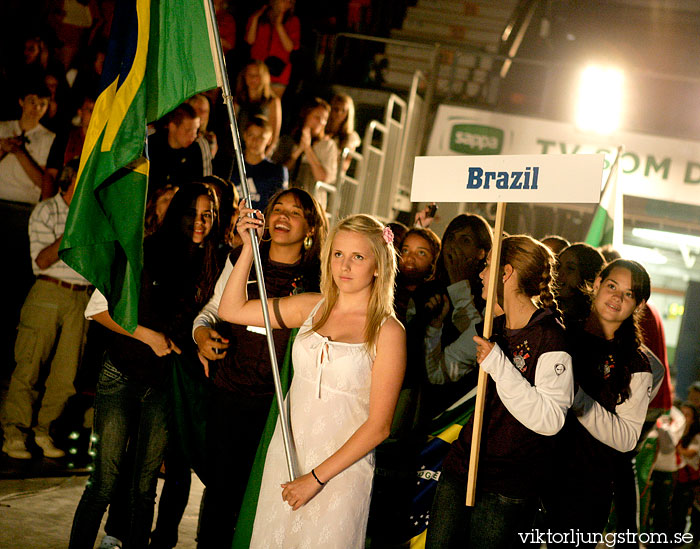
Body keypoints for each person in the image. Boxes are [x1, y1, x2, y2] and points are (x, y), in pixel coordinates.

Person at [218, 212, 406, 548]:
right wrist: (250, 248)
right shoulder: (310, 308)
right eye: (338, 254)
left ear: (378, 265)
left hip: (339, 473)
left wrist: (316, 478)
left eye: (357, 257)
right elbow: (230, 310)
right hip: (287, 457)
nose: (344, 266)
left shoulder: (388, 331)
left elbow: (379, 426)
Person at [69, 184, 221, 549]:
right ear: (176, 213)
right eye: (192, 213)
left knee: (144, 486)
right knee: (104, 481)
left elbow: (211, 315)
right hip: (122, 373)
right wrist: (147, 335)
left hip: (166, 383)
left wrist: (201, 341)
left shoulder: (214, 262)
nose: (200, 223)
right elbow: (98, 309)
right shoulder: (145, 250)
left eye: (208, 215)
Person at [194, 188, 327, 548]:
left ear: (311, 226)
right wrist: (201, 333)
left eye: (295, 212)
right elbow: (213, 309)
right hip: (229, 394)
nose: (283, 217)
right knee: (220, 490)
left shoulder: (320, 276)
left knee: (258, 493)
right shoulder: (243, 256)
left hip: (278, 406)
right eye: (277, 209)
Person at [426, 235, 574, 548]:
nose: (481, 274)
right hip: (462, 468)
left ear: (505, 273)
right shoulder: (493, 326)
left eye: (488, 266)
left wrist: (499, 365)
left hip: (508, 483)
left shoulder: (551, 337)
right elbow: (442, 372)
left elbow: (550, 419)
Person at [545, 259, 654, 543]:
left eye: (629, 294)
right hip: (533, 474)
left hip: (585, 489)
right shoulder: (560, 334)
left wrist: (578, 399)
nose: (617, 297)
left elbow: (627, 438)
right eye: (612, 286)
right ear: (596, 285)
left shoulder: (637, 364)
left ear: (639, 305)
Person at [1, 161, 90, 460]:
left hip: (80, 297)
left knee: (66, 374)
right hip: (49, 291)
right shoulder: (47, 210)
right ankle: (14, 433)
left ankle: (44, 431)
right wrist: (71, 234)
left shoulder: (91, 214)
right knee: (29, 366)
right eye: (81, 179)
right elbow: (40, 260)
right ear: (67, 181)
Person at [272, 97, 338, 206]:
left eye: (325, 119)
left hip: (311, 202)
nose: (321, 122)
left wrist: (308, 149)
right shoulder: (287, 141)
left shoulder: (328, 146)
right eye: (317, 117)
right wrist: (298, 151)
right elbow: (278, 172)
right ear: (306, 116)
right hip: (286, 200)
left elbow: (322, 177)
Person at [147, 103, 212, 195]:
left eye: (196, 130)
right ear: (172, 126)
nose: (193, 135)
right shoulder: (152, 142)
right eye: (188, 130)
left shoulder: (198, 146)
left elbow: (205, 185)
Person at [232, 115, 288, 211]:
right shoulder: (231, 167)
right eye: (251, 135)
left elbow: (278, 206)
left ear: (269, 140)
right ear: (244, 135)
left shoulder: (277, 171)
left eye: (260, 137)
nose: (254, 141)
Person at [245, 0, 301, 97]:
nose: (286, 4)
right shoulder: (259, 17)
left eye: (290, 2)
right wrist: (255, 19)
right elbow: (250, 40)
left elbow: (289, 47)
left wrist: (279, 25)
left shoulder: (292, 21)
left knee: (271, 104)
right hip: (257, 68)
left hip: (278, 71)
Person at [233, 61, 282, 153]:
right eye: (250, 75)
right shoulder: (238, 100)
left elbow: (274, 135)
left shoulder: (272, 102)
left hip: (260, 153)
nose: (253, 78)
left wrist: (264, 156)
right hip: (239, 152)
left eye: (257, 75)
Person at [555, 242, 605, 324]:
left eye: (570, 268)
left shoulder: (592, 325)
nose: (559, 272)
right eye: (558, 266)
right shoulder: (546, 312)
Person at [326, 93, 361, 173]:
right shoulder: (322, 129)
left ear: (348, 113)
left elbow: (345, 165)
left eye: (343, 111)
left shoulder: (351, 137)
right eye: (336, 109)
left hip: (334, 174)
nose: (339, 113)